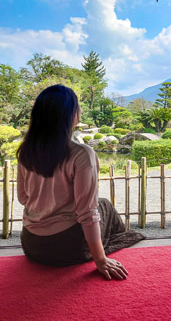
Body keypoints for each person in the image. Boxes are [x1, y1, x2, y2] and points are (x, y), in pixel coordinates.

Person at [17, 84, 144, 280]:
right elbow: (87, 213)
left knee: (100, 205)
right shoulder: (81, 154)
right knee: (105, 206)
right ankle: (108, 253)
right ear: (70, 115)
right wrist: (100, 260)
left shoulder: (27, 150)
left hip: (32, 245)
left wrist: (50, 205)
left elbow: (23, 198)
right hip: (67, 248)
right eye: (78, 107)